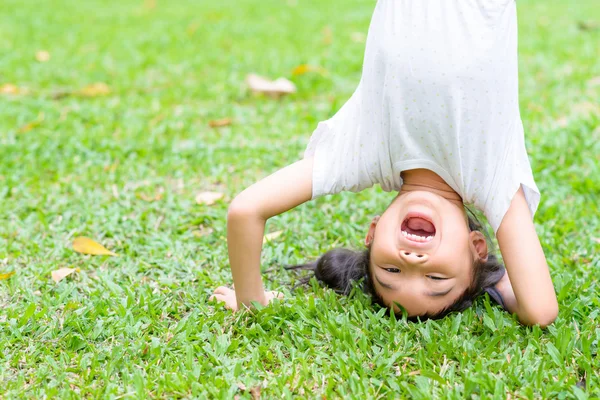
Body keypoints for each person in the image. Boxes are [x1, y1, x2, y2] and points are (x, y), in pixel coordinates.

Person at [211, 0, 558, 326]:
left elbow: (245, 211)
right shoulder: (491, 178)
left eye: (390, 271)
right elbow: (539, 310)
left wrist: (250, 303)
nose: (412, 261)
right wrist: (496, 285)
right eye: (436, 279)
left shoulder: (363, 151)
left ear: (373, 233)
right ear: (476, 247)